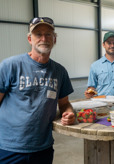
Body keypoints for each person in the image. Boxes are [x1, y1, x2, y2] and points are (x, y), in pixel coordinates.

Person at [0, 17, 76, 164]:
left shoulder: (60, 71)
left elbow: (64, 103)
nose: (43, 38)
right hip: (9, 148)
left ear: (54, 40)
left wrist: (70, 112)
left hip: (42, 148)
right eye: (38, 34)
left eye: (48, 34)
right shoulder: (10, 66)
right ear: (30, 39)